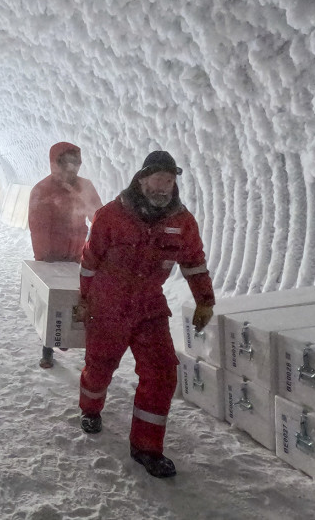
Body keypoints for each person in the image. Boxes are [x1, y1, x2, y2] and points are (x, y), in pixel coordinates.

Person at [75, 150, 215, 478]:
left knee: (162, 372)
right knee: (100, 366)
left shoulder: (182, 222)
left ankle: (146, 448)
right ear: (142, 179)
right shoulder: (111, 215)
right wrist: (84, 299)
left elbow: (194, 262)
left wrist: (205, 300)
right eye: (158, 179)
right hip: (108, 305)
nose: (163, 186)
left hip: (149, 307)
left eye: (169, 180)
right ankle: (90, 408)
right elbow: (90, 260)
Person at [27, 141, 104, 369]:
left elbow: (99, 218)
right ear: (55, 164)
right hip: (51, 257)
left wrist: (101, 246)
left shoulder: (85, 187)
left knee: (81, 301)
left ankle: (79, 345)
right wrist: (45, 258)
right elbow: (38, 227)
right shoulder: (42, 190)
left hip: (79, 254)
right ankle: (47, 348)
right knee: (53, 303)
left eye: (76, 162)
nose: (72, 168)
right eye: (67, 163)